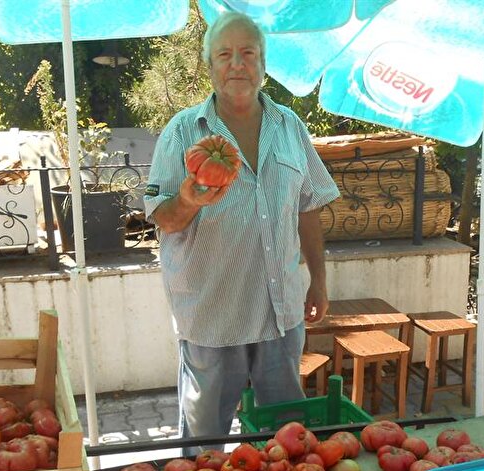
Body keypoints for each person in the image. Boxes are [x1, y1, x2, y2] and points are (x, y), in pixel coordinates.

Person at [143, 10, 340, 446]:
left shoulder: (290, 127)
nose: (237, 64)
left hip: (280, 314)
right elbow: (163, 218)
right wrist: (189, 200)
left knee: (286, 440)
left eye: (248, 53)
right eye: (224, 54)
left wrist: (319, 281)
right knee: (203, 447)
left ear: (263, 64)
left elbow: (308, 206)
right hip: (213, 317)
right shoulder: (183, 133)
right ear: (209, 66)